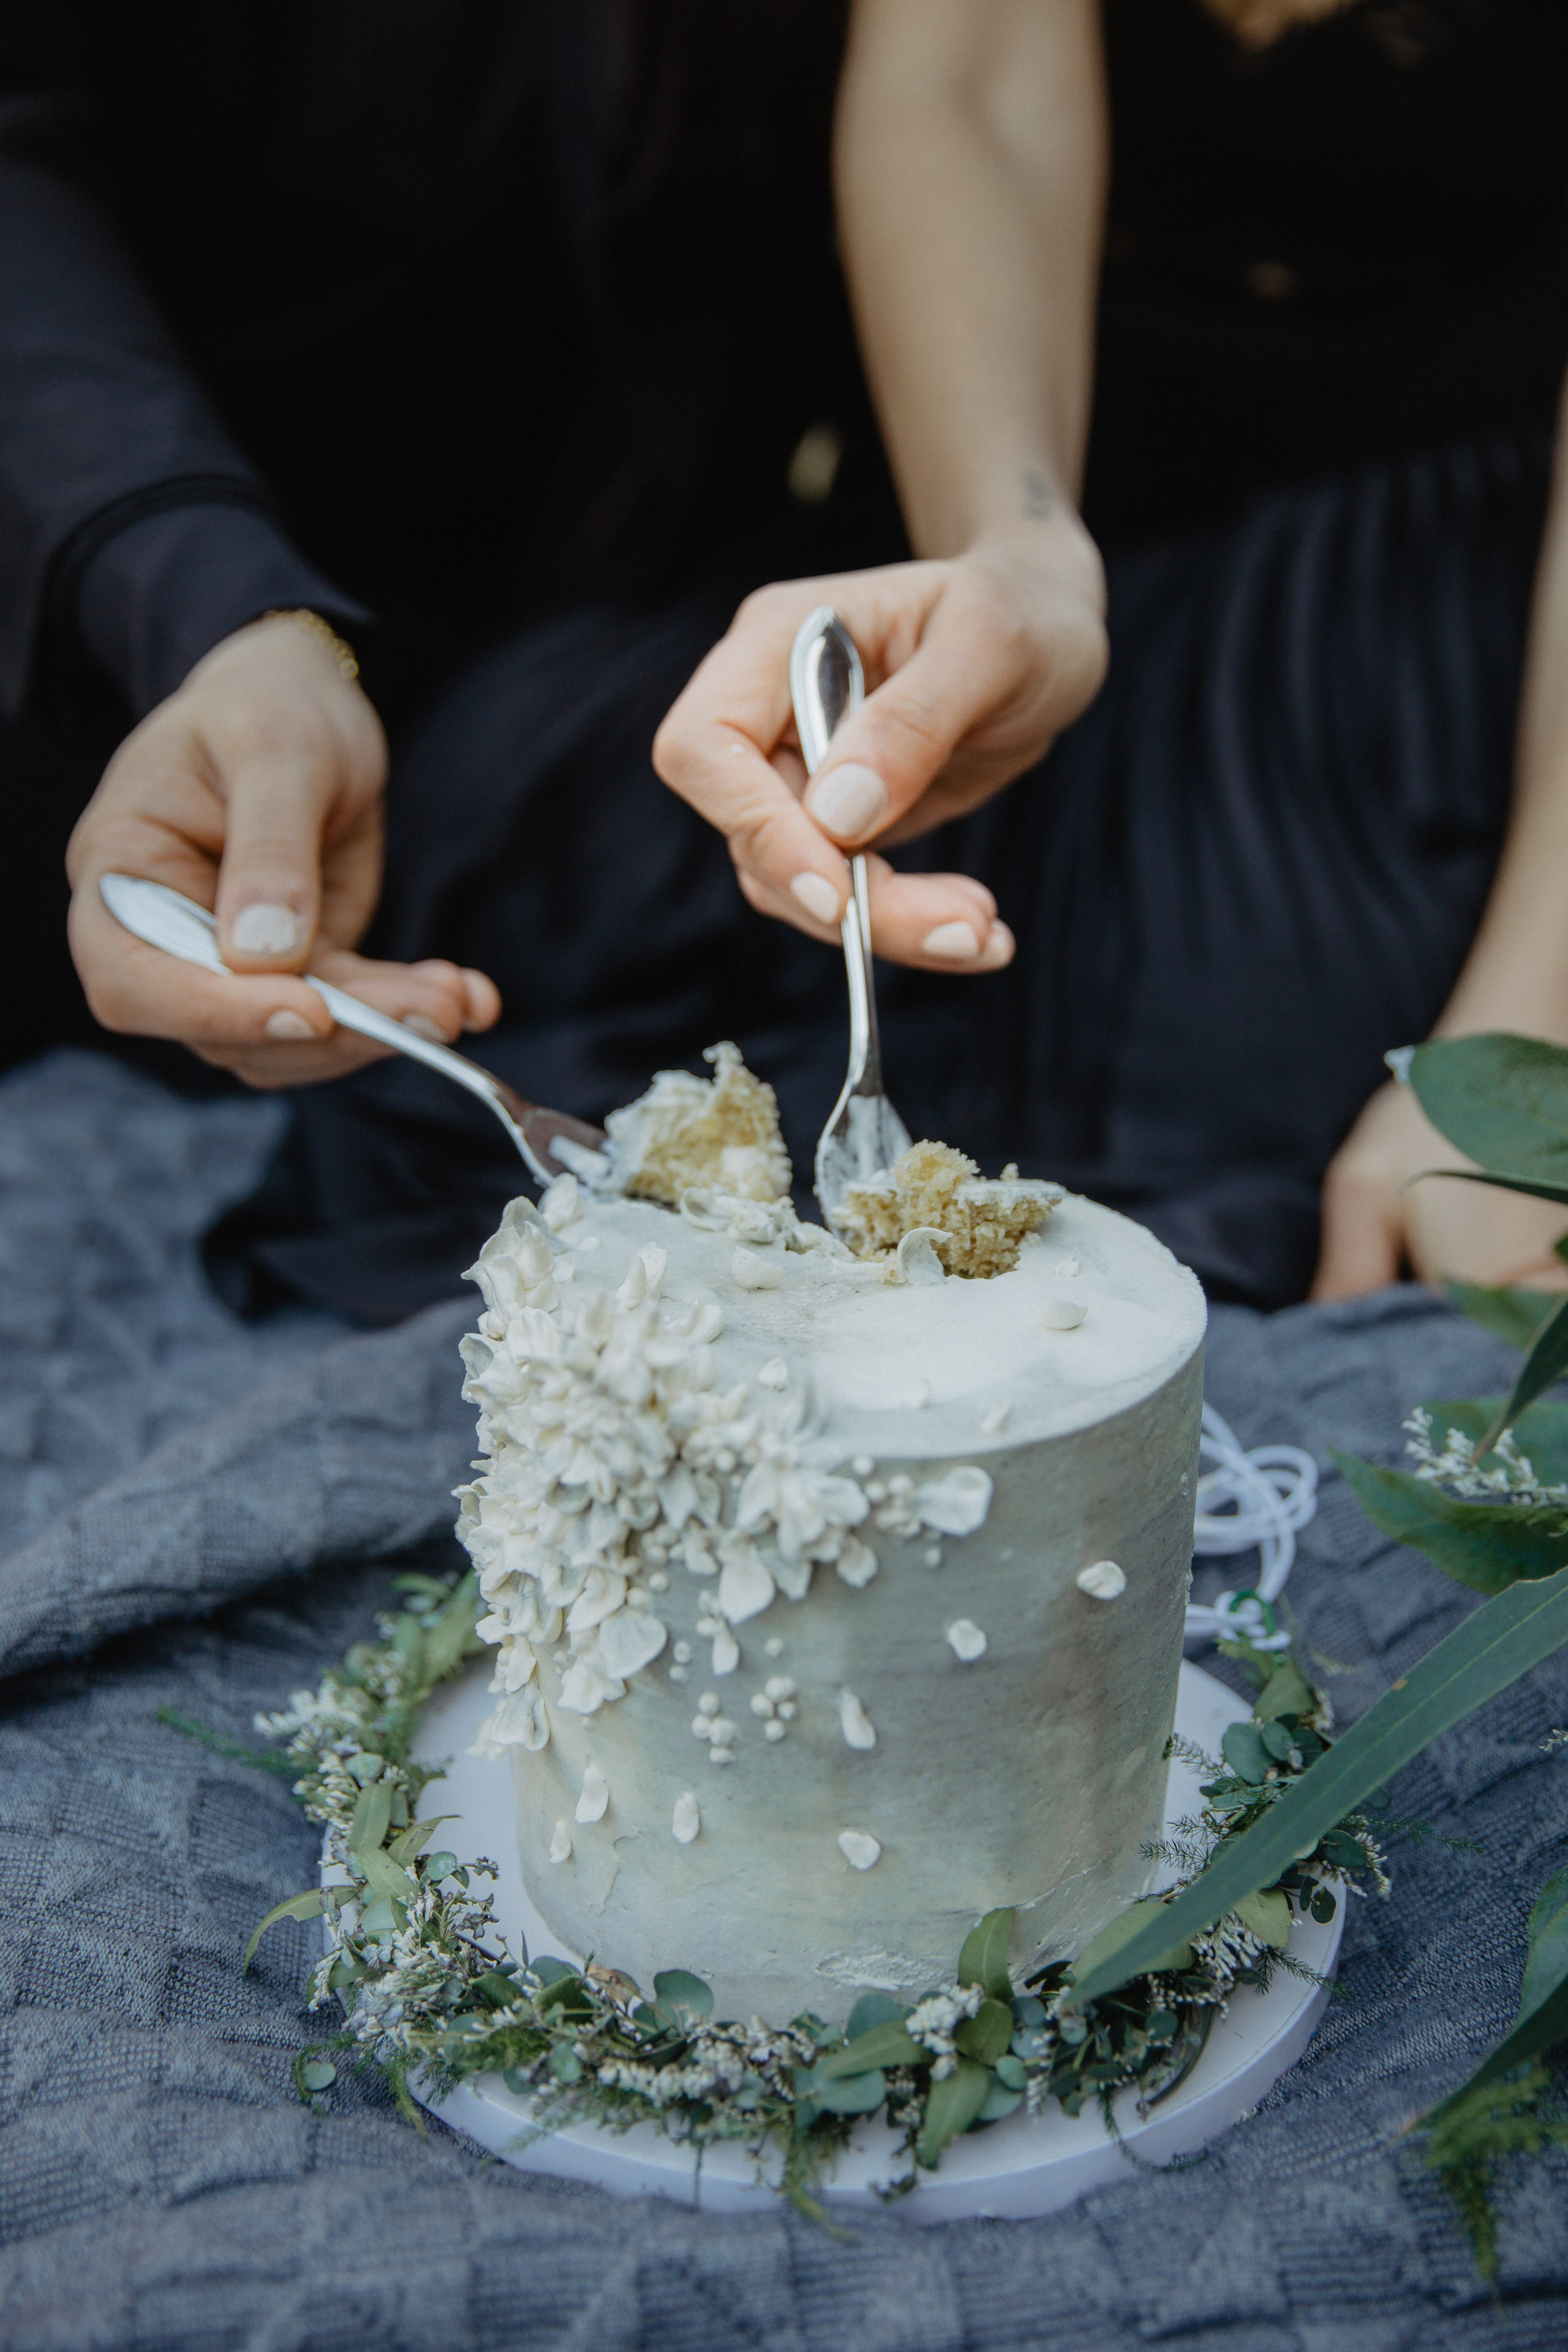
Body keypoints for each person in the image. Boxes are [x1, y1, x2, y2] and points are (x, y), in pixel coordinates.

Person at [39, 0, 1568, 1320]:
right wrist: (1014, 551)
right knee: (509, 830)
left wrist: (1520, 1053)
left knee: (1240, 1068)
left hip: (1461, 589)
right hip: (1047, 504)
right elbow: (961, 80)